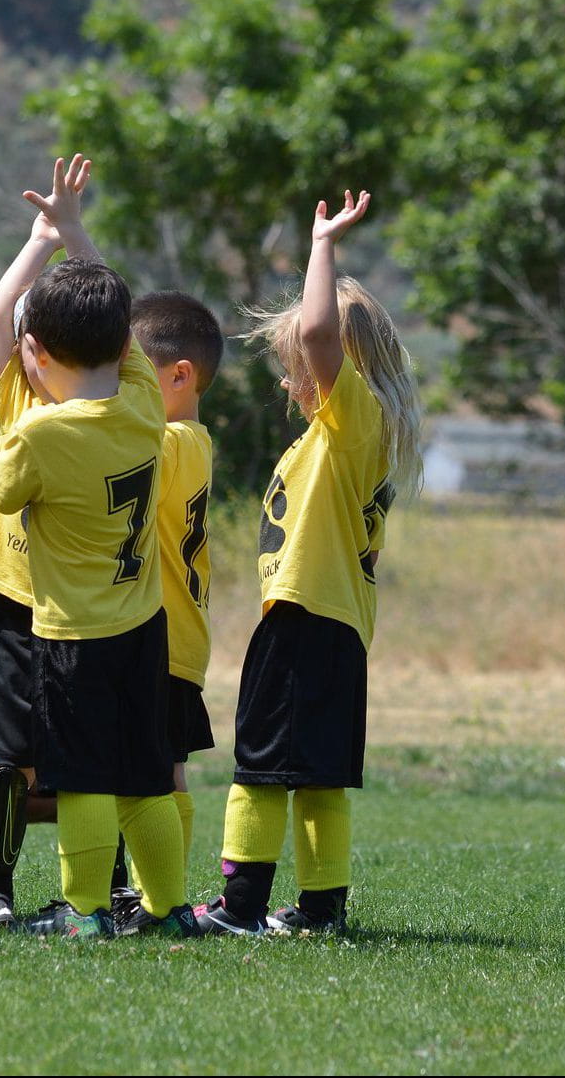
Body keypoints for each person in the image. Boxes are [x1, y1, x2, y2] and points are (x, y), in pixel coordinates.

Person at [0, 156, 196, 939]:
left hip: (71, 636)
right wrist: (75, 233)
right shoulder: (144, 405)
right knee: (143, 776)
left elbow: (3, 500)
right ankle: (169, 910)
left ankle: (82, 912)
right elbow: (115, 314)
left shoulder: (37, 432)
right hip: (143, 629)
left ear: (33, 351)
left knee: (80, 782)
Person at [197, 190, 424, 938]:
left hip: (304, 619)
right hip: (335, 628)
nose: (291, 380)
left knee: (257, 770)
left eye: (295, 365)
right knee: (320, 776)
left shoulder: (350, 416)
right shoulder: (338, 436)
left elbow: (323, 331)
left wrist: (320, 244)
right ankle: (321, 912)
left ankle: (238, 909)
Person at [0, 156, 101, 931]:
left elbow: (113, 320)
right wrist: (45, 237)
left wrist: (69, 238)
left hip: (82, 609)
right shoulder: (18, 399)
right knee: (6, 757)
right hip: (17, 605)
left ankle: (98, 887)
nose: (21, 351)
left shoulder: (104, 409)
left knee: (85, 760)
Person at [112, 291, 223, 934]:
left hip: (163, 636)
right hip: (177, 636)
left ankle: (165, 900)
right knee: (163, 765)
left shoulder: (175, 442)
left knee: (160, 772)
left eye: (132, 371)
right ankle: (161, 896)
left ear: (178, 376)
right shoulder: (192, 439)